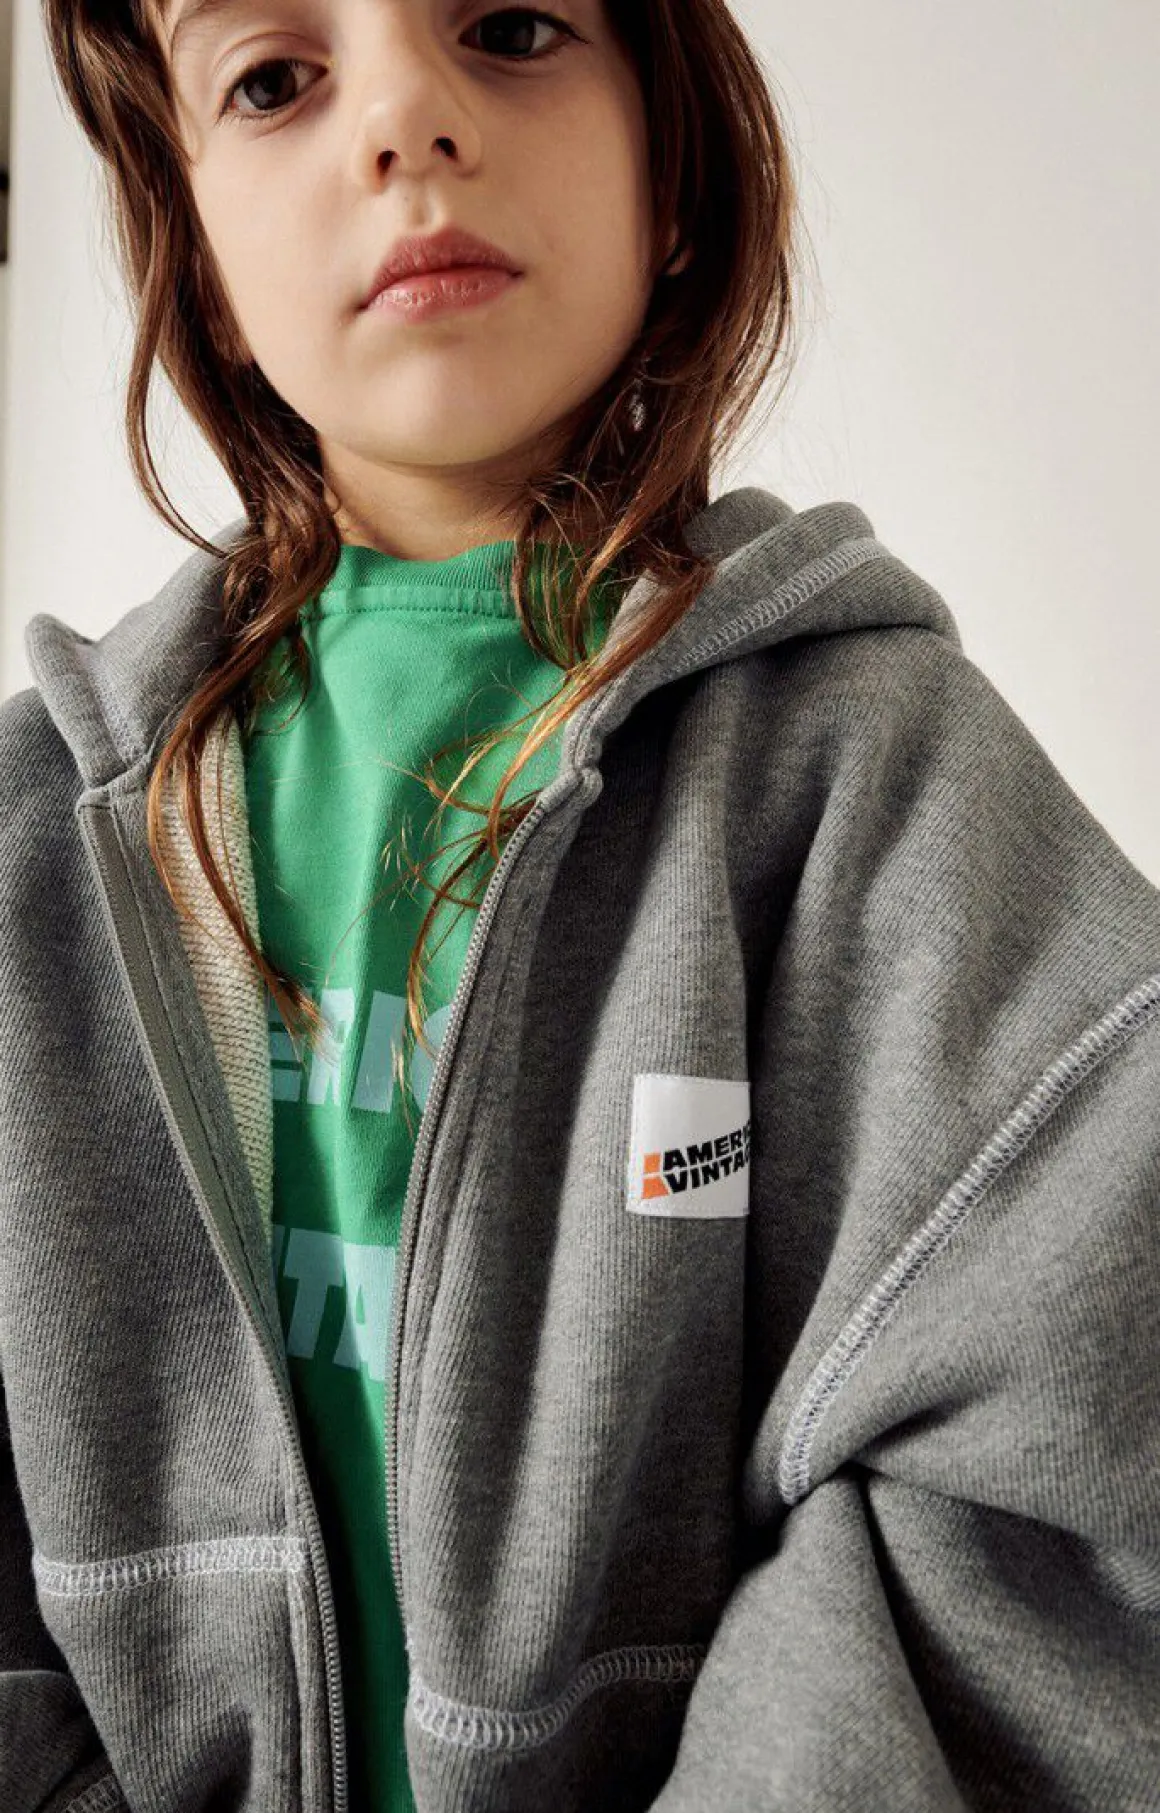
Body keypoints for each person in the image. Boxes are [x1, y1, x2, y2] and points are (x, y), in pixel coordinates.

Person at [1, 1, 1157, 1809]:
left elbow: (1078, 1438)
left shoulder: (872, 776)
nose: (407, 118)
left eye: (514, 26)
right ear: (199, 248)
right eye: (276, 79)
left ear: (671, 170)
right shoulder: (44, 843)